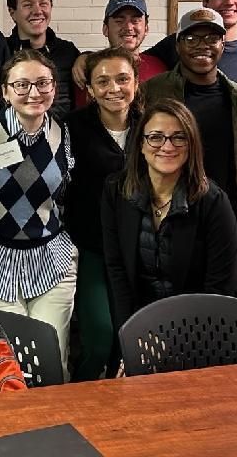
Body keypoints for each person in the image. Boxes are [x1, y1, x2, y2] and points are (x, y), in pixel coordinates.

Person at [0, 50, 76, 374]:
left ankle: (57, 422)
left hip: (51, 260)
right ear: (5, 91)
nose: (33, 92)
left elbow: (63, 193)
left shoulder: (61, 132)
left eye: (43, 83)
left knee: (52, 361)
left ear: (54, 88)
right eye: (22, 84)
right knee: (13, 364)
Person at [101, 99, 237, 337]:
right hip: (143, 322)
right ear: (140, 144)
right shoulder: (115, 192)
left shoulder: (213, 202)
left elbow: (217, 290)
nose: (167, 146)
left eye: (179, 137)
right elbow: (117, 273)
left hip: (205, 328)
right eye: (156, 137)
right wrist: (129, 340)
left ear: (191, 145)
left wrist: (175, 345)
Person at [141, 7, 237, 255]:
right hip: (168, 215)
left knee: (217, 291)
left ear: (223, 44)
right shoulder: (152, 91)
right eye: (191, 38)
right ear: (178, 45)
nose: (202, 46)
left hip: (224, 217)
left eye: (212, 38)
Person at [64, 47, 141, 381]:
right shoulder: (70, 128)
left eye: (122, 79)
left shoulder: (150, 126)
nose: (114, 88)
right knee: (99, 337)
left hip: (140, 250)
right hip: (92, 247)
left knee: (132, 340)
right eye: (103, 81)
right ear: (91, 90)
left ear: (136, 83)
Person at [5, 0, 81, 121]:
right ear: (12, 12)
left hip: (61, 138)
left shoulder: (68, 51)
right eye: (28, 5)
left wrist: (86, 57)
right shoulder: (2, 50)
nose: (37, 11)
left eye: (43, 4)